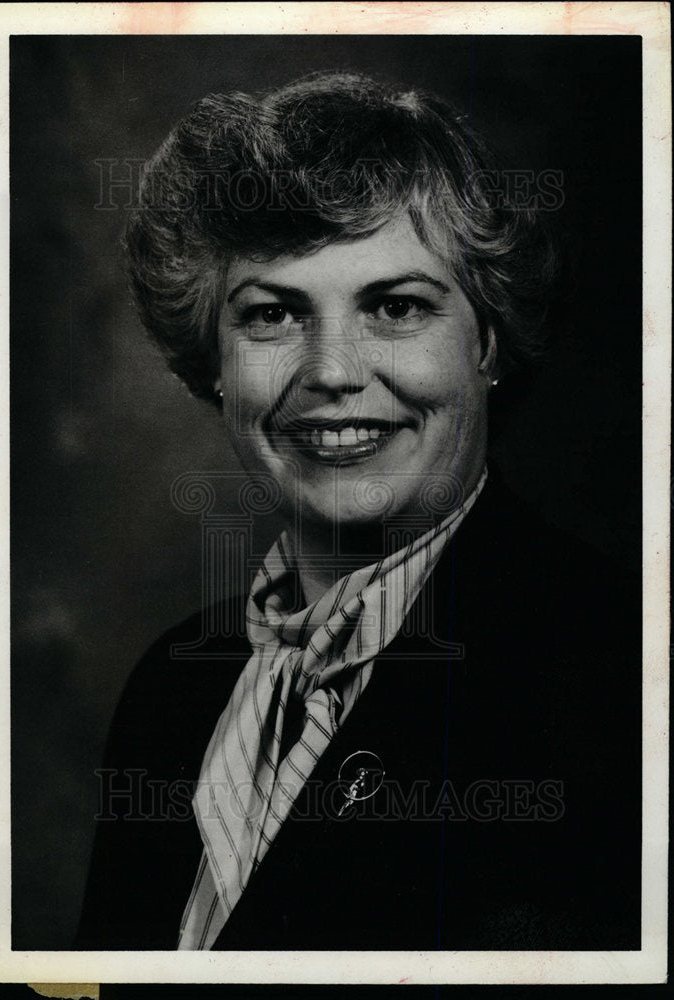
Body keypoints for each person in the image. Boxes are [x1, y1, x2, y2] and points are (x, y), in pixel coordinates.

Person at [76, 72, 640, 951]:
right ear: (213, 362)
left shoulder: (622, 674)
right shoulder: (171, 688)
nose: (333, 371)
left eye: (397, 306)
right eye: (271, 313)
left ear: (486, 341)